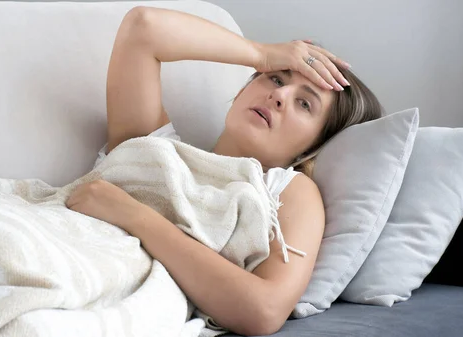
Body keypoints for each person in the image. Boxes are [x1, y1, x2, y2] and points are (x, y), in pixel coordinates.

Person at [66, 6, 383, 336]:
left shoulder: (286, 190)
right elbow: (143, 28)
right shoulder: (154, 148)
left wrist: (131, 215)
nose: (279, 94)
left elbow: (265, 310)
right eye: (276, 77)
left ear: (312, 147)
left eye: (305, 103)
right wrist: (262, 53)